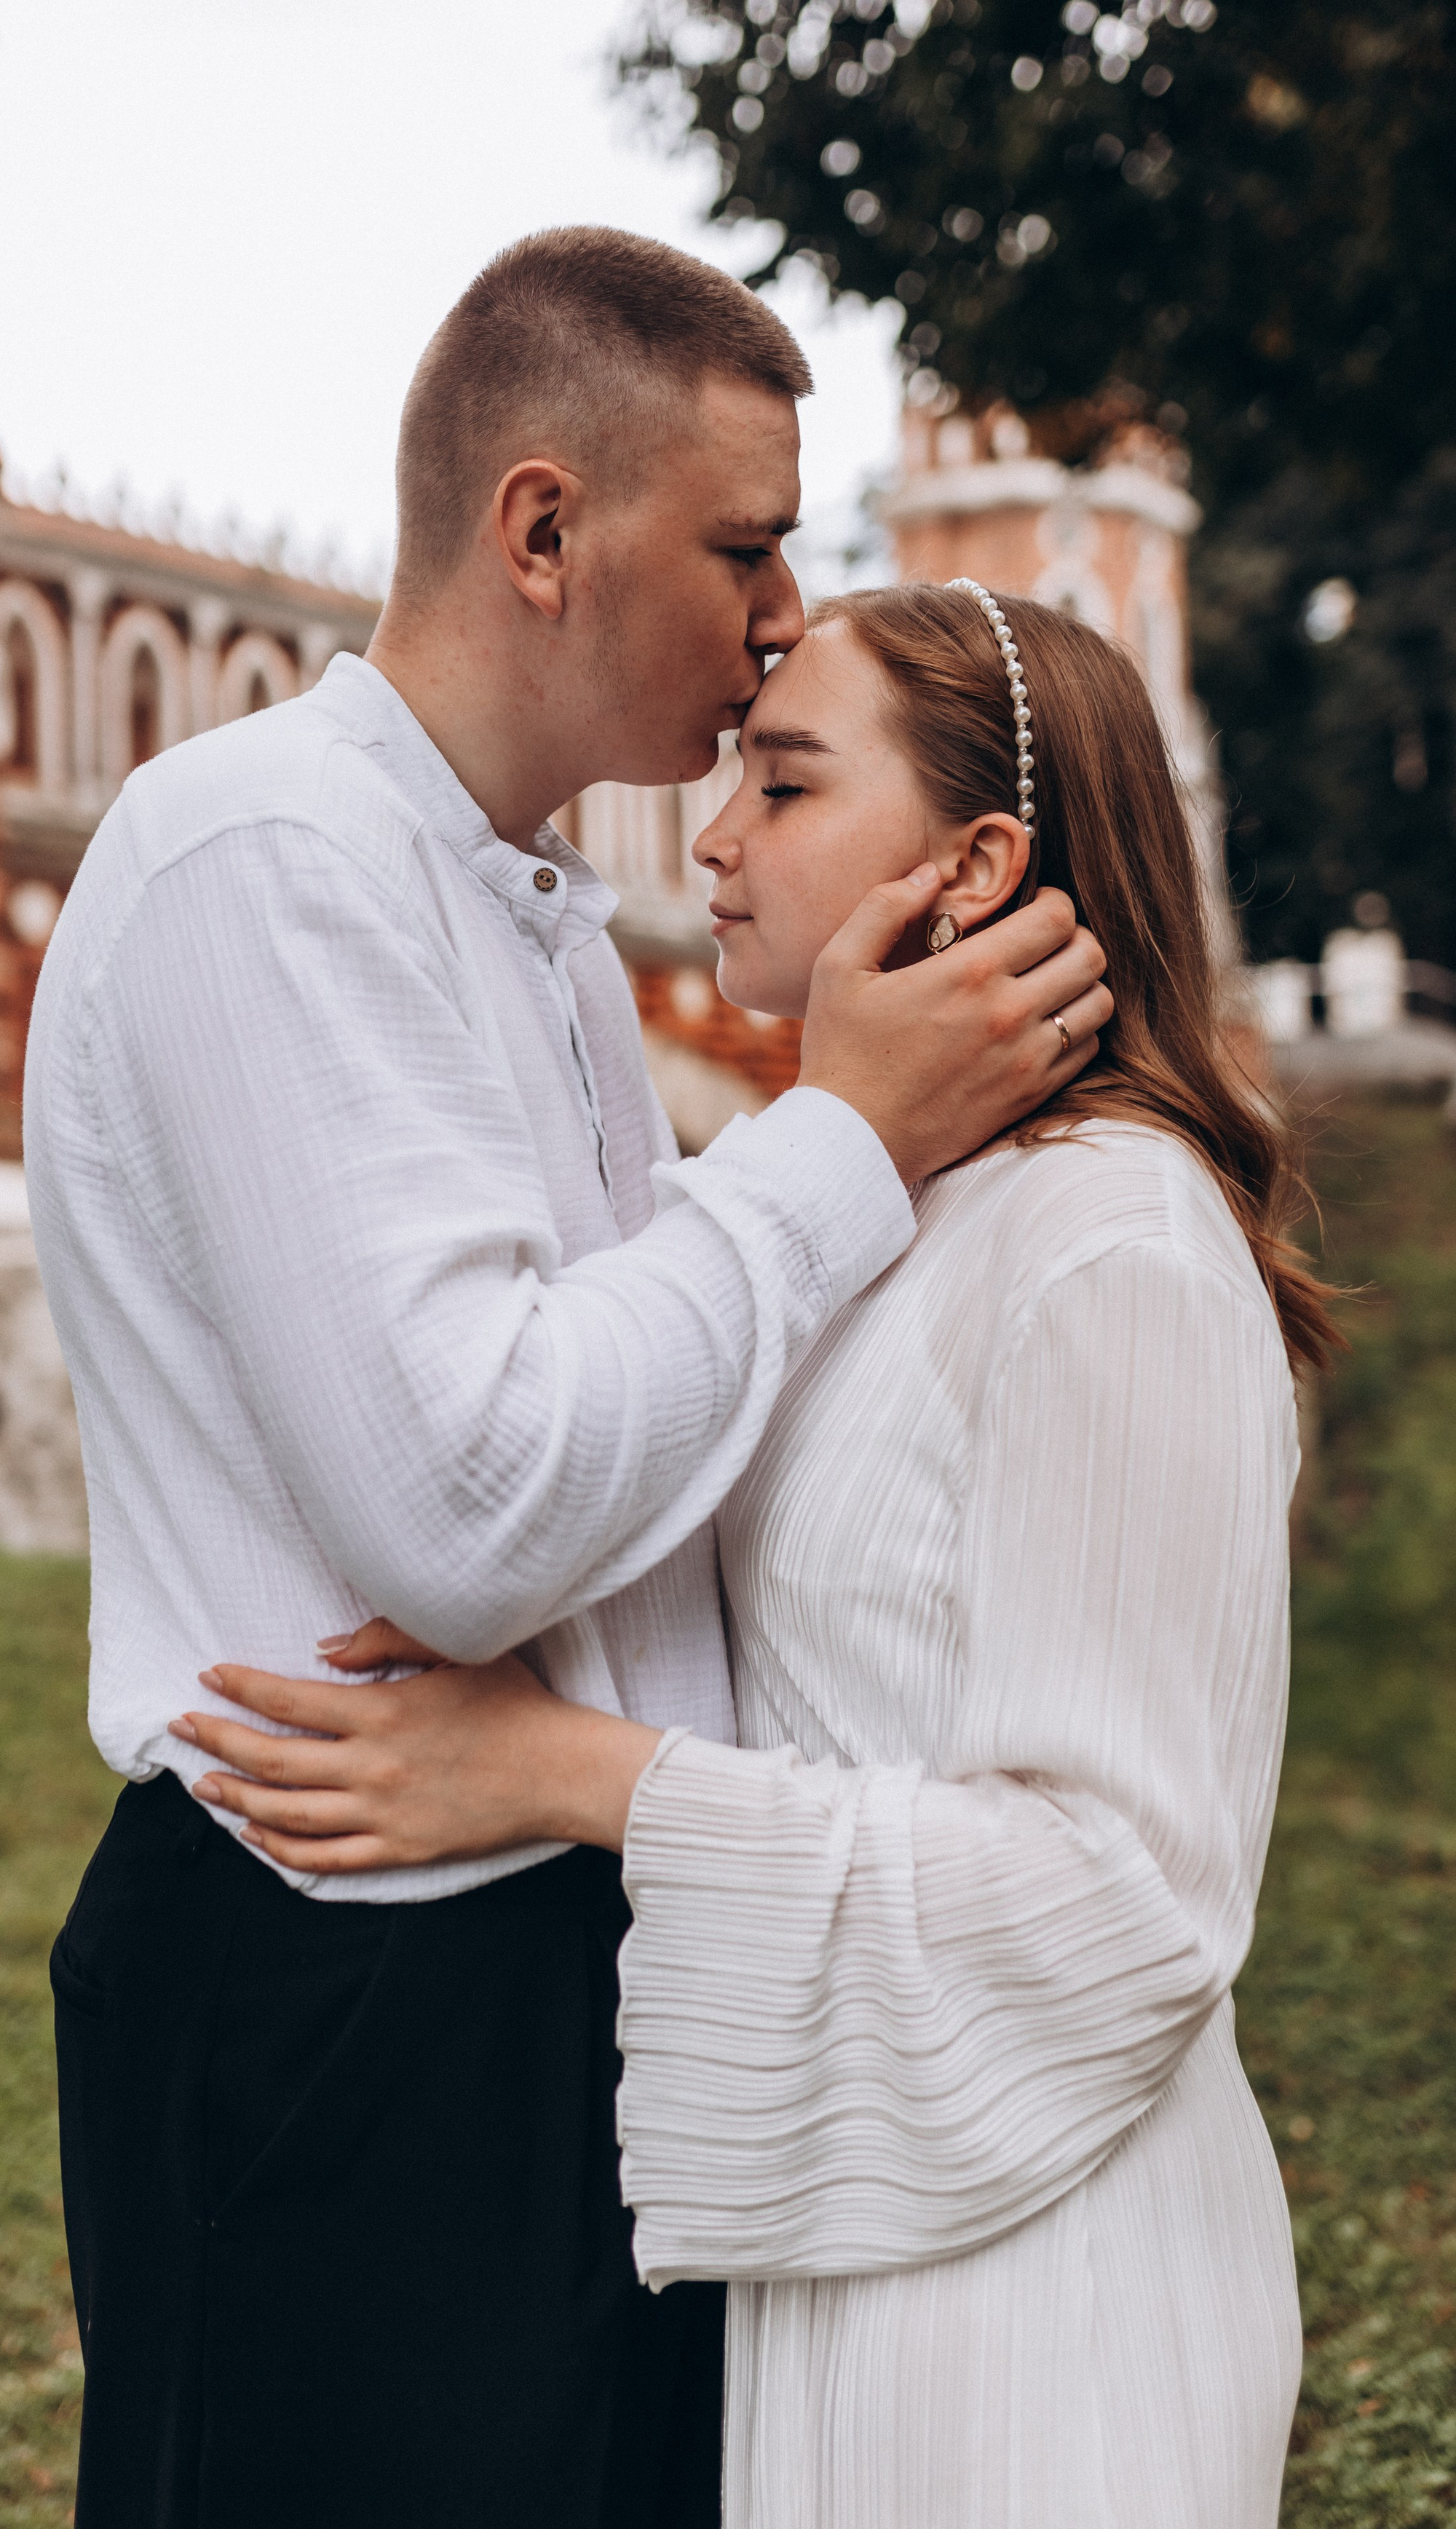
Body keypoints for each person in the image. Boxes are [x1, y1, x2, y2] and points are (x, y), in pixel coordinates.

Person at [23, 231, 1109, 2529]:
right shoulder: (270, 865)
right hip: (349, 1986)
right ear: (543, 530)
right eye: (743, 545)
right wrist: (842, 1140)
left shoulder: (499, 910)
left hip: (543, 1947)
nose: (787, 615)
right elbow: (478, 1493)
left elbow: (623, 1455)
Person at [173, 583, 1335, 2529]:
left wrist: (555, 1774)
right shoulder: (873, 1205)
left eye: (785, 785)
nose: (708, 835)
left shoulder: (1115, 1248)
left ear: (973, 865)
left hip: (1043, 2295)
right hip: (838, 2238)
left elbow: (1124, 1897)